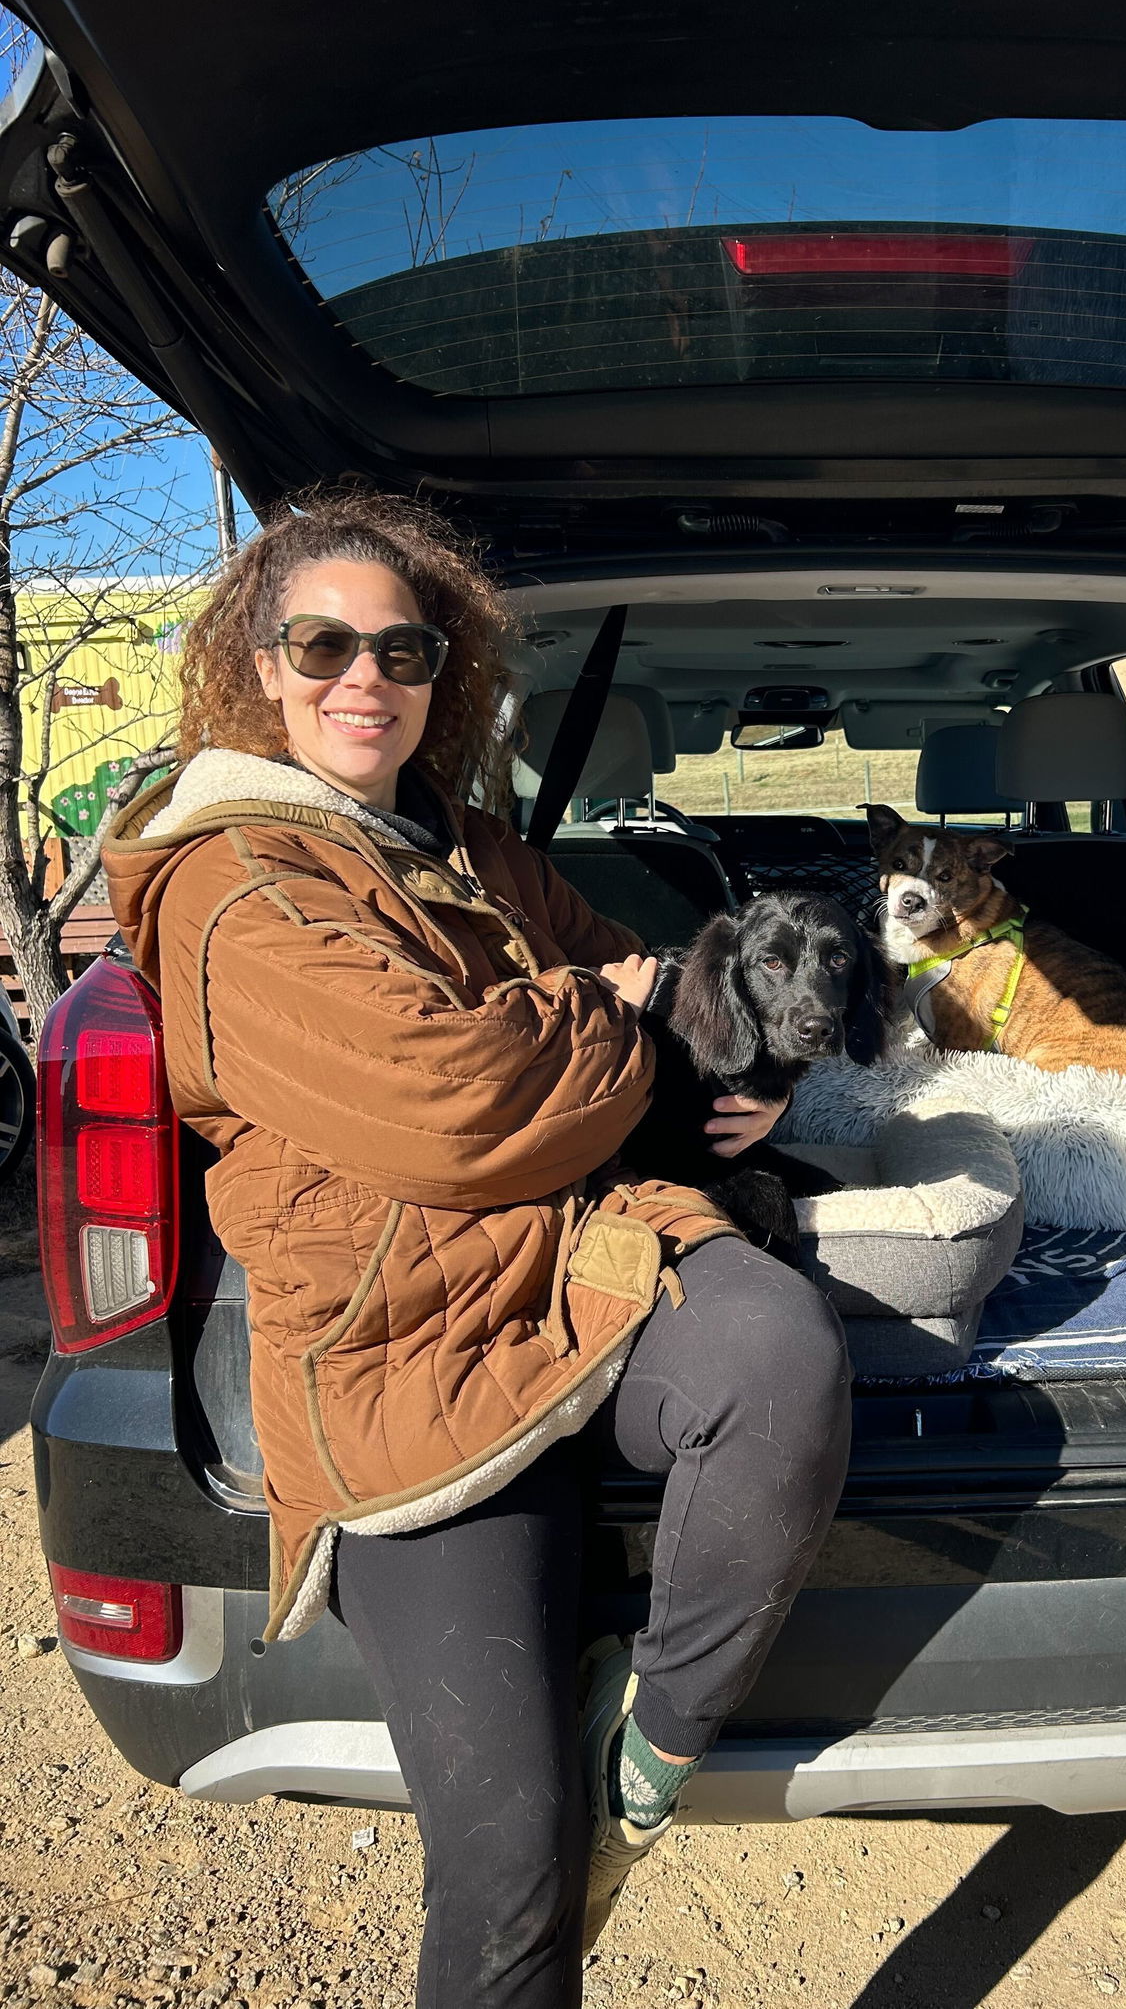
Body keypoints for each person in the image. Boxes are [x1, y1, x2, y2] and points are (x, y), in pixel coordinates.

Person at [100, 492, 853, 2008]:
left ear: (446, 671)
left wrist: (739, 1057)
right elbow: (458, 1106)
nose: (363, 676)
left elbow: (640, 984)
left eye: (405, 645)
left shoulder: (466, 841)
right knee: (512, 1859)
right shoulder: (237, 882)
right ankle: (569, 1817)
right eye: (322, 643)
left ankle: (643, 1763)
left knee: (780, 1352)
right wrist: (621, 1018)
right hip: (403, 1356)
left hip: (583, 1261)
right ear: (257, 664)